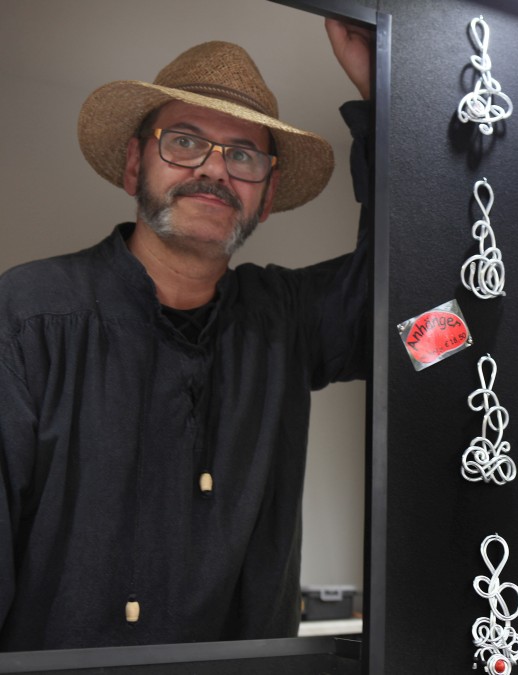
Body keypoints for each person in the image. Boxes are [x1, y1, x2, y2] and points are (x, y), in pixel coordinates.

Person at [0, 19, 373, 649]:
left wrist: (386, 94)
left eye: (243, 155)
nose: (214, 169)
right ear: (133, 165)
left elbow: (414, 293)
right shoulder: (29, 316)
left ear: (266, 196)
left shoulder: (286, 320)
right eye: (184, 141)